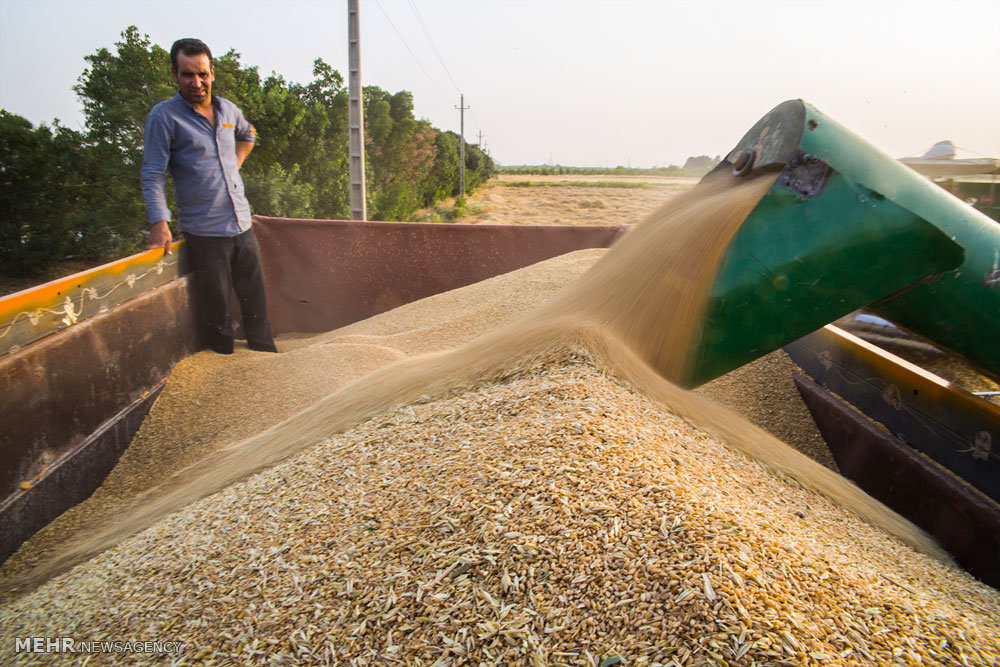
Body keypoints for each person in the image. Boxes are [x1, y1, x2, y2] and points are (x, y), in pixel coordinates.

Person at [141, 38, 277, 354]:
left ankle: (265, 355)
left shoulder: (227, 110)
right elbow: (152, 173)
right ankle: (223, 360)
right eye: (188, 74)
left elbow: (248, 134)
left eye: (202, 73)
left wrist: (234, 164)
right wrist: (159, 222)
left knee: (255, 301)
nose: (197, 82)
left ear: (212, 72)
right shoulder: (164, 117)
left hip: (242, 223)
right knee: (217, 311)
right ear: (175, 75)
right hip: (205, 232)